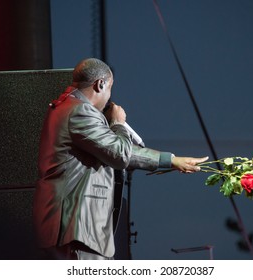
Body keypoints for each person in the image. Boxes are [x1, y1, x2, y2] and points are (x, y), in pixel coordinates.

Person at [32, 58, 208, 260]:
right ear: (101, 84)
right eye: (109, 90)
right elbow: (120, 153)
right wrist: (118, 124)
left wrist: (171, 160)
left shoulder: (65, 106)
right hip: (77, 227)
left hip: (69, 227)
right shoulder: (80, 111)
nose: (109, 98)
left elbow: (115, 150)